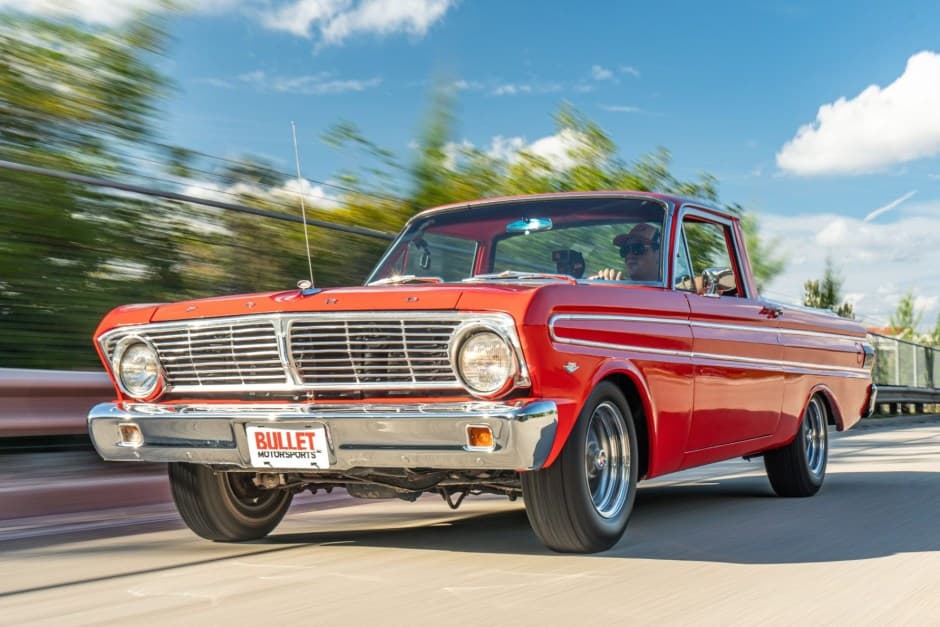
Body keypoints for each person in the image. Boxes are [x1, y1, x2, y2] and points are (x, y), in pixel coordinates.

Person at [591, 223, 661, 282]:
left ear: (658, 254)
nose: (629, 255)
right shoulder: (620, 287)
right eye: (625, 250)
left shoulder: (666, 295)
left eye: (637, 248)